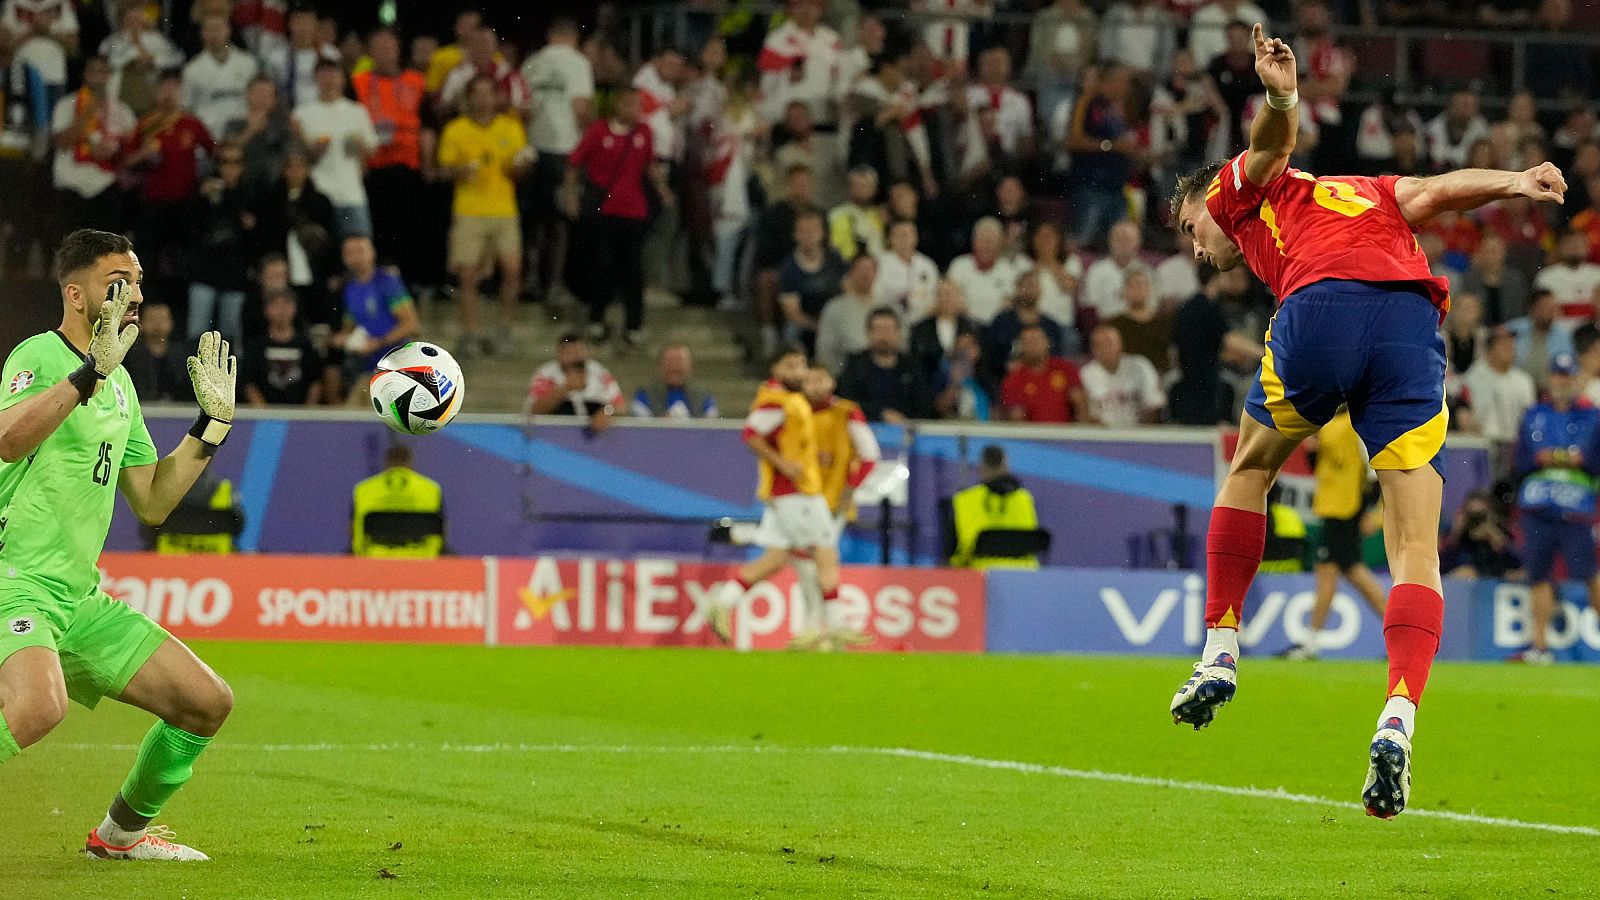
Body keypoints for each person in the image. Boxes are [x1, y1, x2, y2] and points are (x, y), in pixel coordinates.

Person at [1167, 22, 1568, 818]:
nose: (1197, 244)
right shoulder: (1361, 191)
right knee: (1415, 544)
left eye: (1189, 228)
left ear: (1208, 198)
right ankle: (1398, 716)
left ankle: (1219, 647)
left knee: (1249, 467)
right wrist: (1516, 180)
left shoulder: (1239, 193)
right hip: (1410, 324)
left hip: (1322, 306)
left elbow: (1272, 143)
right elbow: (1433, 190)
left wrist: (1281, 93)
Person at [0, 228, 237, 860]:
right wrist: (87, 375)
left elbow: (154, 500)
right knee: (38, 707)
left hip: (76, 598)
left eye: (136, 282)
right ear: (75, 294)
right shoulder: (41, 357)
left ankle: (119, 838)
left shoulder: (122, 387)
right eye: (118, 282)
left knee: (205, 703)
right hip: (13, 578)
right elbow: (8, 439)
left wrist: (210, 428)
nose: (134, 295)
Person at [704, 347, 840, 643]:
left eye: (801, 365)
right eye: (789, 365)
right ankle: (830, 627)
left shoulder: (791, 399)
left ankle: (722, 602)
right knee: (823, 550)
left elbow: (788, 441)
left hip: (793, 491)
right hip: (795, 492)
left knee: (777, 558)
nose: (797, 371)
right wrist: (783, 465)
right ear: (775, 369)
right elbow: (751, 434)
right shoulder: (777, 400)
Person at [563, 86, 671, 347]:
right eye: (630, 104)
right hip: (603, 209)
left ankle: (634, 324)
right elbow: (575, 162)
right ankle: (597, 319)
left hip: (634, 210)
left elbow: (649, 165)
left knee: (633, 269)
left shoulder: (643, 133)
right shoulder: (599, 130)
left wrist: (662, 190)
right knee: (602, 266)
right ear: (618, 105)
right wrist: (570, 195)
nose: (636, 110)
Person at [1284, 410, 1389, 660]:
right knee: (1351, 572)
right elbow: (1323, 464)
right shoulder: (1330, 424)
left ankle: (1310, 641)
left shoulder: (1354, 425)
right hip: (1334, 507)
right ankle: (1402, 637)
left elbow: (1373, 470)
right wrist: (1313, 449)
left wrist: (1369, 510)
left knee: (1330, 571)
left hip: (1345, 509)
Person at [437, 74, 529, 358]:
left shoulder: (511, 128)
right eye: (476, 93)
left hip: (504, 209)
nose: (482, 99)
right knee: (467, 275)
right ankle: (470, 332)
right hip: (469, 210)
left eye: (488, 92)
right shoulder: (456, 129)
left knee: (512, 269)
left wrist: (521, 167)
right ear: (469, 97)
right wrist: (459, 172)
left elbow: (520, 171)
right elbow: (443, 170)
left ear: (496, 97)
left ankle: (504, 329)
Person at [797, 365, 880, 648]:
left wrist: (849, 488)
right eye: (810, 379)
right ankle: (823, 630)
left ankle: (821, 630)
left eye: (822, 378)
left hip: (832, 502)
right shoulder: (795, 412)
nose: (816, 385)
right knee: (806, 563)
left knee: (819, 562)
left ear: (832, 382)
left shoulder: (847, 412)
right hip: (799, 502)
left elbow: (870, 454)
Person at [519, 17, 594, 304]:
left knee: (535, 220)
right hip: (565, 149)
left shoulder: (532, 62)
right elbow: (580, 108)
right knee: (561, 221)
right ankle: (555, 285)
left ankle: (532, 279)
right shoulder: (578, 63)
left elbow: (524, 108)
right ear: (571, 36)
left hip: (533, 149)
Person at [352, 27, 430, 272]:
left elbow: (428, 126)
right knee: (377, 231)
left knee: (409, 231)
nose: (385, 53)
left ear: (398, 50)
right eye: (379, 48)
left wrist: (427, 165)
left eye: (389, 47)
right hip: (373, 168)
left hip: (408, 167)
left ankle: (408, 285)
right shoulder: (357, 82)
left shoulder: (417, 82)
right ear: (370, 52)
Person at [50, 55, 134, 244]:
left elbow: (128, 149)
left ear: (110, 76)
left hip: (106, 184)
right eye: (92, 71)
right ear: (84, 75)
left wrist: (112, 150)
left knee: (104, 249)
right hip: (71, 182)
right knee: (70, 249)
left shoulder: (122, 110)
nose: (97, 76)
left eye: (103, 72)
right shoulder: (67, 104)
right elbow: (61, 142)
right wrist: (85, 116)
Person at [292, 60, 377, 239]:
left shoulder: (357, 111)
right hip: (318, 193)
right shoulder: (302, 114)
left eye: (333, 74)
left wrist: (360, 147)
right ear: (315, 79)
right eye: (323, 75)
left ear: (343, 79)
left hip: (351, 194)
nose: (329, 80)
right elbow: (296, 159)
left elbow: (371, 149)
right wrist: (312, 149)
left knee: (359, 250)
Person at [183, 141, 256, 344]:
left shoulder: (250, 193)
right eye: (225, 162)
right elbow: (187, 226)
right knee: (197, 336)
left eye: (236, 162)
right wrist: (201, 198)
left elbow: (256, 234)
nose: (230, 167)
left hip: (235, 274)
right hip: (203, 272)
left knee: (229, 338)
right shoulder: (204, 190)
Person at [329, 235, 419, 397]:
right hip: (369, 367)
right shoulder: (350, 289)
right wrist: (341, 340)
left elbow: (410, 323)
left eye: (361, 251)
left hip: (396, 365)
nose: (356, 257)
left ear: (372, 253)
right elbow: (350, 328)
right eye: (350, 252)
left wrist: (379, 343)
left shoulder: (387, 282)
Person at [944, 444, 1040, 569]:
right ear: (1006, 466)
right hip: (1024, 575)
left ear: (982, 467)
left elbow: (950, 549)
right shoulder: (1025, 499)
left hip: (977, 576)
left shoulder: (963, 500)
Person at [1460, 327, 1537, 475]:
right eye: (1503, 343)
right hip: (1484, 445)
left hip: (1515, 446)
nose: (1510, 348)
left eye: (1511, 343)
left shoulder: (1524, 380)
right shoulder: (1473, 378)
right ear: (1489, 350)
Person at [837, 309, 933, 424]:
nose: (883, 336)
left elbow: (923, 404)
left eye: (888, 330)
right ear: (868, 332)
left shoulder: (913, 366)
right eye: (878, 330)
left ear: (898, 332)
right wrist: (880, 414)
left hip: (906, 430)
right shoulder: (855, 365)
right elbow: (846, 401)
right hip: (864, 429)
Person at [350, 443, 443, 558]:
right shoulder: (431, 489)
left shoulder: (363, 489)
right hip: (422, 558)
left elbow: (354, 531)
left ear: (386, 463)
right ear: (410, 462)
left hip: (374, 559)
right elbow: (441, 531)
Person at [777, 209, 848, 352]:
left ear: (822, 233)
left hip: (834, 319)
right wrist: (819, 327)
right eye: (803, 231)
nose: (808, 235)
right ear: (795, 235)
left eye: (813, 230)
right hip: (806, 323)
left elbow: (848, 292)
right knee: (791, 332)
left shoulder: (835, 259)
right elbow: (792, 312)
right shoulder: (788, 267)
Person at [240, 288, 324, 407]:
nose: (282, 310)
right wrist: (263, 411)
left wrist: (307, 413)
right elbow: (249, 383)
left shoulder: (306, 346)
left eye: (287, 304)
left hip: (300, 416)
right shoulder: (255, 346)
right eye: (276, 305)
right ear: (266, 310)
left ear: (295, 309)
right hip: (263, 416)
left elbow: (315, 382)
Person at [527, 332, 624, 433]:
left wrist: (606, 412)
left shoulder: (599, 373)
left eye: (579, 352)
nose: (575, 358)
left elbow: (621, 406)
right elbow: (534, 410)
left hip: (594, 436)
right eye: (569, 353)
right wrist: (565, 388)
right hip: (556, 435)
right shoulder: (545, 375)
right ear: (559, 354)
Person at [182, 13, 259, 139]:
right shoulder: (192, 69)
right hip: (209, 134)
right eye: (209, 29)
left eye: (218, 28)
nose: (214, 34)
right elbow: (187, 108)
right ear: (202, 33)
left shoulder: (248, 63)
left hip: (244, 131)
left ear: (228, 30)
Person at [944, 217, 1026, 324]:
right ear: (974, 241)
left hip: (998, 326)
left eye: (991, 240)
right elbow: (953, 299)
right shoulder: (959, 265)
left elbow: (1009, 302)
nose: (986, 245)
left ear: (999, 244)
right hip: (966, 324)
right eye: (982, 239)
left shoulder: (1008, 269)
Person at [999, 324, 1087, 424]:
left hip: (1066, 435)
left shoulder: (1065, 368)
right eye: (1028, 342)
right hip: (1033, 436)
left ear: (1048, 342)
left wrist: (1079, 434)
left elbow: (1080, 406)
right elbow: (1017, 420)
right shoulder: (1013, 379)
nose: (1033, 346)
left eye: (1037, 340)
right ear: (1021, 347)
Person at [1079, 324, 1164, 427]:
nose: (1106, 349)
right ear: (1093, 349)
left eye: (1109, 343)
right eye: (1099, 345)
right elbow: (1086, 414)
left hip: (1140, 433)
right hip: (1103, 437)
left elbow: (1154, 405)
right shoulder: (1086, 373)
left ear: (1120, 344)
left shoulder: (1141, 366)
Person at [814, 254, 880, 373]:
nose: (865, 274)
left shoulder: (888, 307)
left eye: (870, 269)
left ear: (876, 274)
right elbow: (825, 348)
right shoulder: (834, 307)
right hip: (847, 372)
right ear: (851, 273)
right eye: (860, 269)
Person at [1105, 269, 1175, 373]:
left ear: (1149, 289)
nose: (1136, 290)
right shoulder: (1114, 323)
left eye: (1140, 285)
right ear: (1124, 291)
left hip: (1163, 374)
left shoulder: (1164, 320)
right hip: (1129, 377)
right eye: (1131, 286)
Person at [910, 279, 981, 378]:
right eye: (941, 294)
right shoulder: (921, 328)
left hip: (966, 381)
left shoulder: (972, 327)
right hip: (932, 382)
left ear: (959, 297)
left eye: (950, 294)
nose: (946, 298)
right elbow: (918, 360)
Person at [873, 218, 940, 320]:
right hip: (889, 320)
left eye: (908, 235)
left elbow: (934, 298)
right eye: (900, 235)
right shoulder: (879, 263)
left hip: (922, 322)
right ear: (891, 239)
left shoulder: (928, 265)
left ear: (916, 238)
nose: (905, 239)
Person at [1080, 220, 1145, 323]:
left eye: (1128, 239)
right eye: (1119, 239)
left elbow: (1151, 307)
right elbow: (1090, 307)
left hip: (1139, 326)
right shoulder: (1096, 271)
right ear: (1110, 241)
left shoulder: (1145, 271)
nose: (1123, 244)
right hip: (1107, 325)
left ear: (1138, 243)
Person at [629, 343, 718, 418]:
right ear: (660, 366)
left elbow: (711, 423)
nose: (675, 367)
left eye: (680, 362)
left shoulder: (703, 396)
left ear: (690, 367)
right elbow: (640, 426)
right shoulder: (644, 394)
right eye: (670, 362)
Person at [1534, 230, 1600, 323]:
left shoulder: (1597, 274)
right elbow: (1542, 311)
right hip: (1558, 332)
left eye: (1579, 243)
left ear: (1587, 247)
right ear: (1559, 247)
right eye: (1569, 243)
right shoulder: (1547, 276)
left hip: (1593, 332)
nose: (1574, 247)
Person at [828, 164, 885, 262]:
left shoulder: (880, 215)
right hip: (846, 265)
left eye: (864, 186)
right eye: (856, 185)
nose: (860, 190)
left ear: (874, 189)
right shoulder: (836, 214)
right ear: (849, 188)